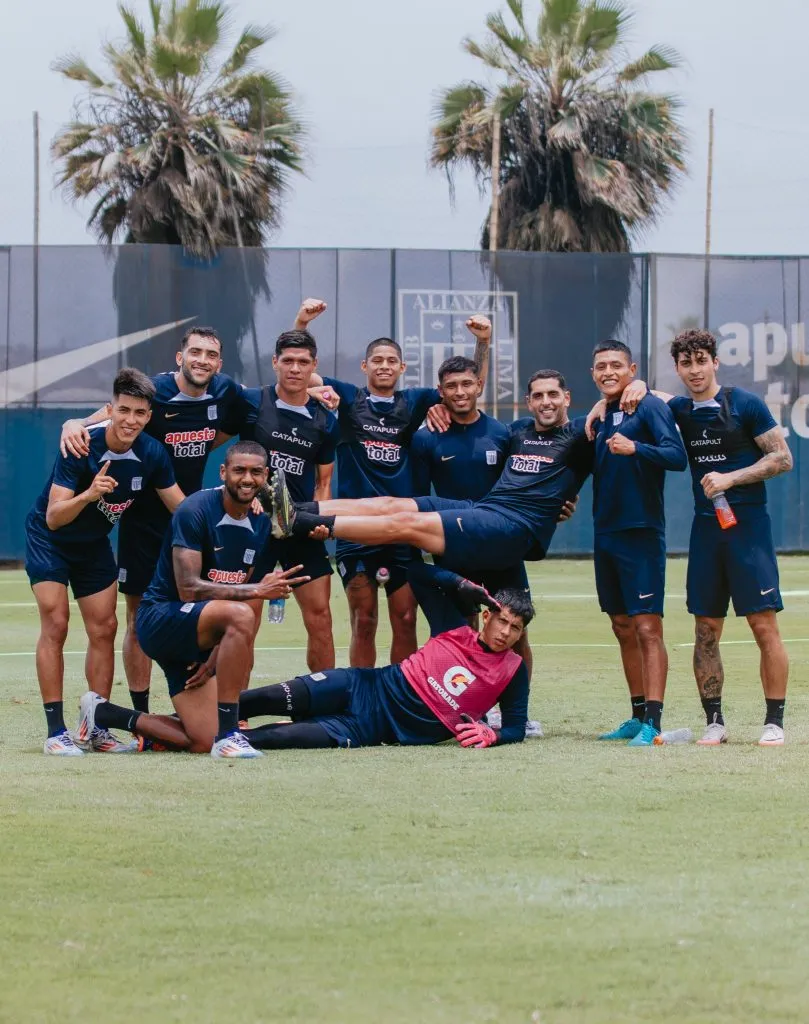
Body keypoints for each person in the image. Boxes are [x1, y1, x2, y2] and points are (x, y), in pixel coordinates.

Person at [607, 329, 793, 745]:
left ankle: (774, 722)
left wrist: (732, 476)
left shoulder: (744, 403)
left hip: (749, 530)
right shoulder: (680, 410)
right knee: (705, 629)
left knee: (764, 625)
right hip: (706, 532)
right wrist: (619, 393)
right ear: (678, 368)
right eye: (686, 363)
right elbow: (643, 393)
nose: (694, 370)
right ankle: (715, 722)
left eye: (701, 360)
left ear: (714, 362)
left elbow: (783, 457)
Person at [76, 442, 309, 759]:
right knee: (242, 614)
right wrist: (256, 591)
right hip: (161, 620)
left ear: (266, 476)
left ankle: (102, 714)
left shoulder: (261, 521)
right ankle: (230, 735)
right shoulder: (195, 509)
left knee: (201, 740)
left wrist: (216, 651)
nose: (247, 478)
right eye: (239, 470)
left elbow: (245, 589)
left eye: (256, 472)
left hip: (200, 633)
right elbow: (189, 588)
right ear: (223, 472)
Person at [60, 327, 249, 717]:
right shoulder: (156, 392)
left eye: (210, 354)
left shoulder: (225, 391)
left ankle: (200, 708)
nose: (202, 360)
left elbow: (263, 403)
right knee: (138, 616)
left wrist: (315, 391)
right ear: (179, 357)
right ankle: (141, 712)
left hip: (189, 518)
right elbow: (111, 415)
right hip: (143, 522)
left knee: (199, 612)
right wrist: (74, 422)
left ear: (219, 363)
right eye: (194, 352)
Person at [295, 297, 491, 668]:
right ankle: (361, 701)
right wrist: (302, 323)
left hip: (402, 531)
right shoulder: (350, 398)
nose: (384, 366)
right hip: (357, 532)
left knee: (405, 619)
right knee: (363, 621)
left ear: (402, 367)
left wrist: (483, 342)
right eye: (377, 360)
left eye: (391, 361)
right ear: (365, 365)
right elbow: (301, 369)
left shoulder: (415, 400)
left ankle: (400, 697)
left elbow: (468, 386)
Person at [264, 370, 593, 585]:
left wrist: (622, 395)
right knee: (393, 504)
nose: (546, 402)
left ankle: (296, 523)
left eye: (553, 395)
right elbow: (472, 415)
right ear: (528, 401)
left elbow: (623, 402)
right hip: (482, 511)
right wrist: (442, 408)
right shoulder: (517, 431)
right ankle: (290, 508)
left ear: (567, 397)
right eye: (538, 395)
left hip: (512, 530)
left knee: (405, 525)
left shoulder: (582, 432)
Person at [25, 368, 182, 756]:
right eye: (124, 410)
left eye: (140, 413)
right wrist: (90, 494)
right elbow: (54, 515)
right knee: (56, 623)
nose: (131, 420)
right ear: (110, 409)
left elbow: (180, 506)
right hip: (51, 539)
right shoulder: (81, 445)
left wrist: (224, 506)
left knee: (105, 628)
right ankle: (55, 732)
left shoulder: (152, 454)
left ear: (149, 416)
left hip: (93, 543)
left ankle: (95, 727)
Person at [237, 561, 533, 751]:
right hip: (363, 685)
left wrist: (493, 735)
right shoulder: (453, 627)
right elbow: (416, 572)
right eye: (502, 621)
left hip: (370, 729)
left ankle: (205, 740)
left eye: (515, 628)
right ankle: (198, 717)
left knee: (277, 739)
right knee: (263, 698)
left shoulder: (512, 670)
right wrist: (459, 583)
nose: (506, 633)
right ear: (486, 616)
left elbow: (516, 727)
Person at [587, 341, 687, 746]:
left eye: (616, 365)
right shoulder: (602, 414)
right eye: (600, 367)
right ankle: (635, 714)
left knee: (647, 627)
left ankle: (655, 724)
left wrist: (636, 448)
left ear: (631, 368)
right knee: (621, 626)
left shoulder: (647, 406)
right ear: (592, 373)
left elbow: (676, 456)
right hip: (605, 533)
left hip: (641, 532)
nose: (608, 371)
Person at [237, 330, 340, 670]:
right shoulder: (253, 402)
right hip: (252, 526)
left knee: (321, 619)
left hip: (299, 529)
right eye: (288, 361)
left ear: (314, 366)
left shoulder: (325, 419)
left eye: (303, 362)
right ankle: (237, 714)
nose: (295, 368)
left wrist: (320, 522)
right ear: (274, 363)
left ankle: (324, 710)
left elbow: (324, 483)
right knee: (243, 624)